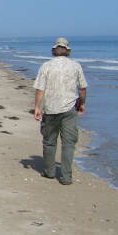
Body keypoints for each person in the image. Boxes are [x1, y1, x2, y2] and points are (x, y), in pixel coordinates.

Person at [33, 37, 88, 185]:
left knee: (49, 142)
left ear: (54, 50)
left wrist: (37, 107)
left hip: (50, 108)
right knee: (68, 143)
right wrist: (82, 103)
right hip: (69, 109)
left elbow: (40, 89)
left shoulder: (46, 66)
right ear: (67, 50)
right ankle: (66, 177)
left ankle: (49, 172)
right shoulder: (75, 66)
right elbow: (82, 88)